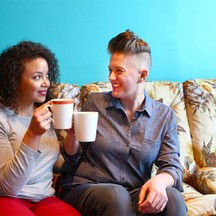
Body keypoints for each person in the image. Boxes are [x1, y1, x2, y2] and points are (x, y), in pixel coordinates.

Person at [60, 30, 187, 216]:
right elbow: (73, 157)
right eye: (110, 70)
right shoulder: (95, 103)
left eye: (119, 71)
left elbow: (172, 166)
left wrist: (160, 182)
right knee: (116, 195)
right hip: (88, 187)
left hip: (134, 192)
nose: (111, 77)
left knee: (173, 198)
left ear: (142, 76)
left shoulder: (163, 115)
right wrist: (72, 135)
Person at [0, 41, 80, 216]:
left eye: (47, 75)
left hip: (43, 198)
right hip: (0, 197)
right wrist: (33, 134)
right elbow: (9, 186)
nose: (46, 83)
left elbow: (56, 163)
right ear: (14, 81)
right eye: (37, 77)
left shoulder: (48, 113)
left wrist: (72, 136)